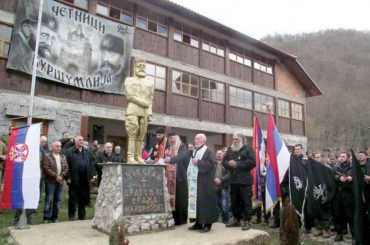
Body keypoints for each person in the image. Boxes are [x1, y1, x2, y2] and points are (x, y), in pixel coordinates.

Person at [222, 133, 256, 230]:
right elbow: (224, 161)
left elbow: (253, 162)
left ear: (242, 139)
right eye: (234, 139)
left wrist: (237, 164)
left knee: (246, 202)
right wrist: (229, 164)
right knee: (234, 202)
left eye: (237, 139)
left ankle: (247, 221)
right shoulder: (230, 150)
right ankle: (236, 219)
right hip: (233, 181)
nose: (235, 141)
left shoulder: (248, 149)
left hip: (244, 181)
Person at [124, 59, 154, 163]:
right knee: (132, 132)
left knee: (141, 135)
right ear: (135, 67)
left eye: (143, 66)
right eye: (139, 66)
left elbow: (150, 98)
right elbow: (130, 96)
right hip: (133, 109)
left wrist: (150, 112)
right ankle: (130, 157)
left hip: (145, 111)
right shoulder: (129, 80)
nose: (141, 68)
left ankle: (138, 156)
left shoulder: (150, 83)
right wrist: (142, 102)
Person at [187, 134, 218, 233]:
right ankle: (199, 223)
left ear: (204, 141)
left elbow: (211, 165)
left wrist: (199, 162)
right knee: (198, 204)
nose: (195, 140)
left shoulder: (208, 152)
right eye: (195, 138)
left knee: (206, 204)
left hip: (206, 183)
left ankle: (208, 224)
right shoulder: (195, 151)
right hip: (197, 183)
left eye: (198, 139)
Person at [66, 136, 94, 220]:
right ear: (75, 141)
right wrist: (67, 177)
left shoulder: (87, 151)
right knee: (73, 198)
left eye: (82, 140)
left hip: (84, 179)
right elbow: (66, 166)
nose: (81, 141)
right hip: (74, 179)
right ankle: (71, 215)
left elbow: (92, 163)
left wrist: (92, 176)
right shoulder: (69, 151)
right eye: (79, 140)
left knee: (83, 197)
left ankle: (82, 215)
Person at [164, 133, 189, 225]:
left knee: (181, 200)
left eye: (172, 139)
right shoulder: (169, 148)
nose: (171, 141)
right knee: (173, 200)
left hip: (181, 177)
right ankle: (174, 219)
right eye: (169, 139)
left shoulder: (182, 146)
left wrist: (171, 159)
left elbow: (181, 156)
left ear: (177, 138)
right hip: (171, 179)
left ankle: (181, 220)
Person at [42, 140, 68, 223]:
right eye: (57, 146)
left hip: (60, 181)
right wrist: (56, 176)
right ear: (52, 147)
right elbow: (46, 168)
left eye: (60, 146)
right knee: (49, 199)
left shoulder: (63, 156)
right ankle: (47, 217)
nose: (59, 148)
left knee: (58, 200)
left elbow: (66, 168)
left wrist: (61, 176)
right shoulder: (47, 156)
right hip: (50, 181)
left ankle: (55, 217)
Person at [332, 152, 354, 242]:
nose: (341, 158)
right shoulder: (337, 166)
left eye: (343, 156)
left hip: (348, 193)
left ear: (348, 158)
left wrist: (351, 178)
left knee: (350, 215)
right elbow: (332, 176)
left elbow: (357, 176)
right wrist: (338, 178)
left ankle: (354, 235)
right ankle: (339, 233)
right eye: (340, 156)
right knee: (338, 214)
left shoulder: (353, 167)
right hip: (338, 193)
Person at [312, 152, 331, 238]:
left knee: (325, 211)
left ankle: (326, 229)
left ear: (322, 158)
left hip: (325, 192)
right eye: (315, 157)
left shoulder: (327, 167)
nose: (317, 159)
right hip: (315, 192)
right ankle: (318, 228)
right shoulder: (313, 168)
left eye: (318, 157)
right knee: (316, 210)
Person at [214, 150, 231, 224]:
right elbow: (210, 173)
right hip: (214, 186)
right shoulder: (213, 163)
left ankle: (225, 220)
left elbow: (229, 174)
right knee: (215, 204)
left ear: (223, 155)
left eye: (220, 154)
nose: (218, 155)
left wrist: (221, 179)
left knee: (224, 204)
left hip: (224, 186)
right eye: (217, 154)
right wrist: (213, 179)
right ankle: (215, 220)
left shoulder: (226, 164)